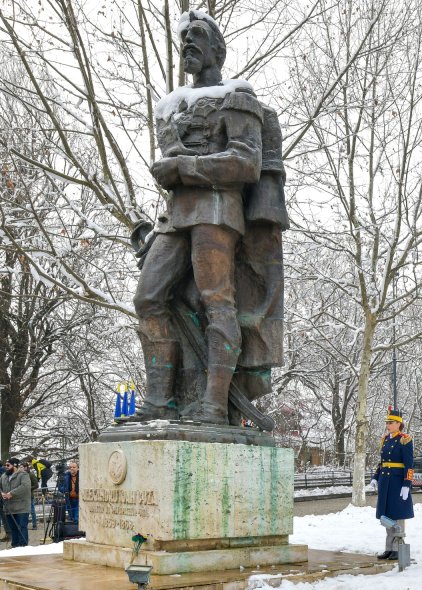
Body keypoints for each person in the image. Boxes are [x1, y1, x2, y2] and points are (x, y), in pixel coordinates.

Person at [134, 11, 268, 424]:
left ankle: (213, 404)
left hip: (217, 213)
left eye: (196, 37)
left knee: (217, 304)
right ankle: (161, 400)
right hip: (175, 217)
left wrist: (184, 168)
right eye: (184, 38)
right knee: (148, 298)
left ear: (217, 49)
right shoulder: (171, 108)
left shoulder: (237, 98)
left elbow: (246, 163)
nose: (188, 43)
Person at [369, 408, 414, 561]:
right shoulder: (385, 439)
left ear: (398, 424)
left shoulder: (405, 439)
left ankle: (397, 548)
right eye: (387, 422)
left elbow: (409, 464)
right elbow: (382, 462)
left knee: (398, 515)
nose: (387, 425)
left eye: (390, 422)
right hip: (385, 482)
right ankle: (389, 548)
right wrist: (376, 477)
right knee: (386, 516)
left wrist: (406, 484)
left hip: (397, 482)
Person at [0, 458, 32, 548]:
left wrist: (11, 493)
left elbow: (25, 487)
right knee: (13, 529)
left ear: (15, 465)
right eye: (5, 465)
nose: (5, 467)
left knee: (22, 527)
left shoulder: (23, 474)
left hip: (21, 507)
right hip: (9, 507)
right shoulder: (4, 476)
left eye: (8, 465)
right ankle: (15, 546)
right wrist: (2, 493)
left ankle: (23, 546)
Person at [22, 460, 39, 530]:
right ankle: (24, 525)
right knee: (24, 511)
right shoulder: (20, 475)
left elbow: (36, 485)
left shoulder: (31, 475)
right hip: (22, 496)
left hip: (29, 496)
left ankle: (34, 525)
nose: (21, 468)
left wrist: (28, 488)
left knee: (32, 511)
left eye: (22, 467)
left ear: (26, 467)